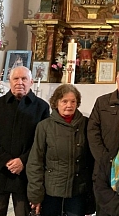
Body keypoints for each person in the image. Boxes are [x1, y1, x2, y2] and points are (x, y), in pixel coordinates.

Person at [0, 66, 50, 216]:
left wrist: (23, 161)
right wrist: (5, 160)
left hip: (26, 174)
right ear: (9, 82)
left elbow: (42, 141)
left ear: (31, 81)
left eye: (24, 79)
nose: (20, 82)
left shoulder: (41, 107)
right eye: (15, 79)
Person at [27, 84, 94, 216]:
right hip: (51, 191)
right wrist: (36, 194)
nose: (69, 105)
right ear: (56, 102)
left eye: (73, 101)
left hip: (78, 191)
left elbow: (91, 161)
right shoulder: (44, 126)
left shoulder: (86, 124)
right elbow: (35, 162)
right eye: (64, 101)